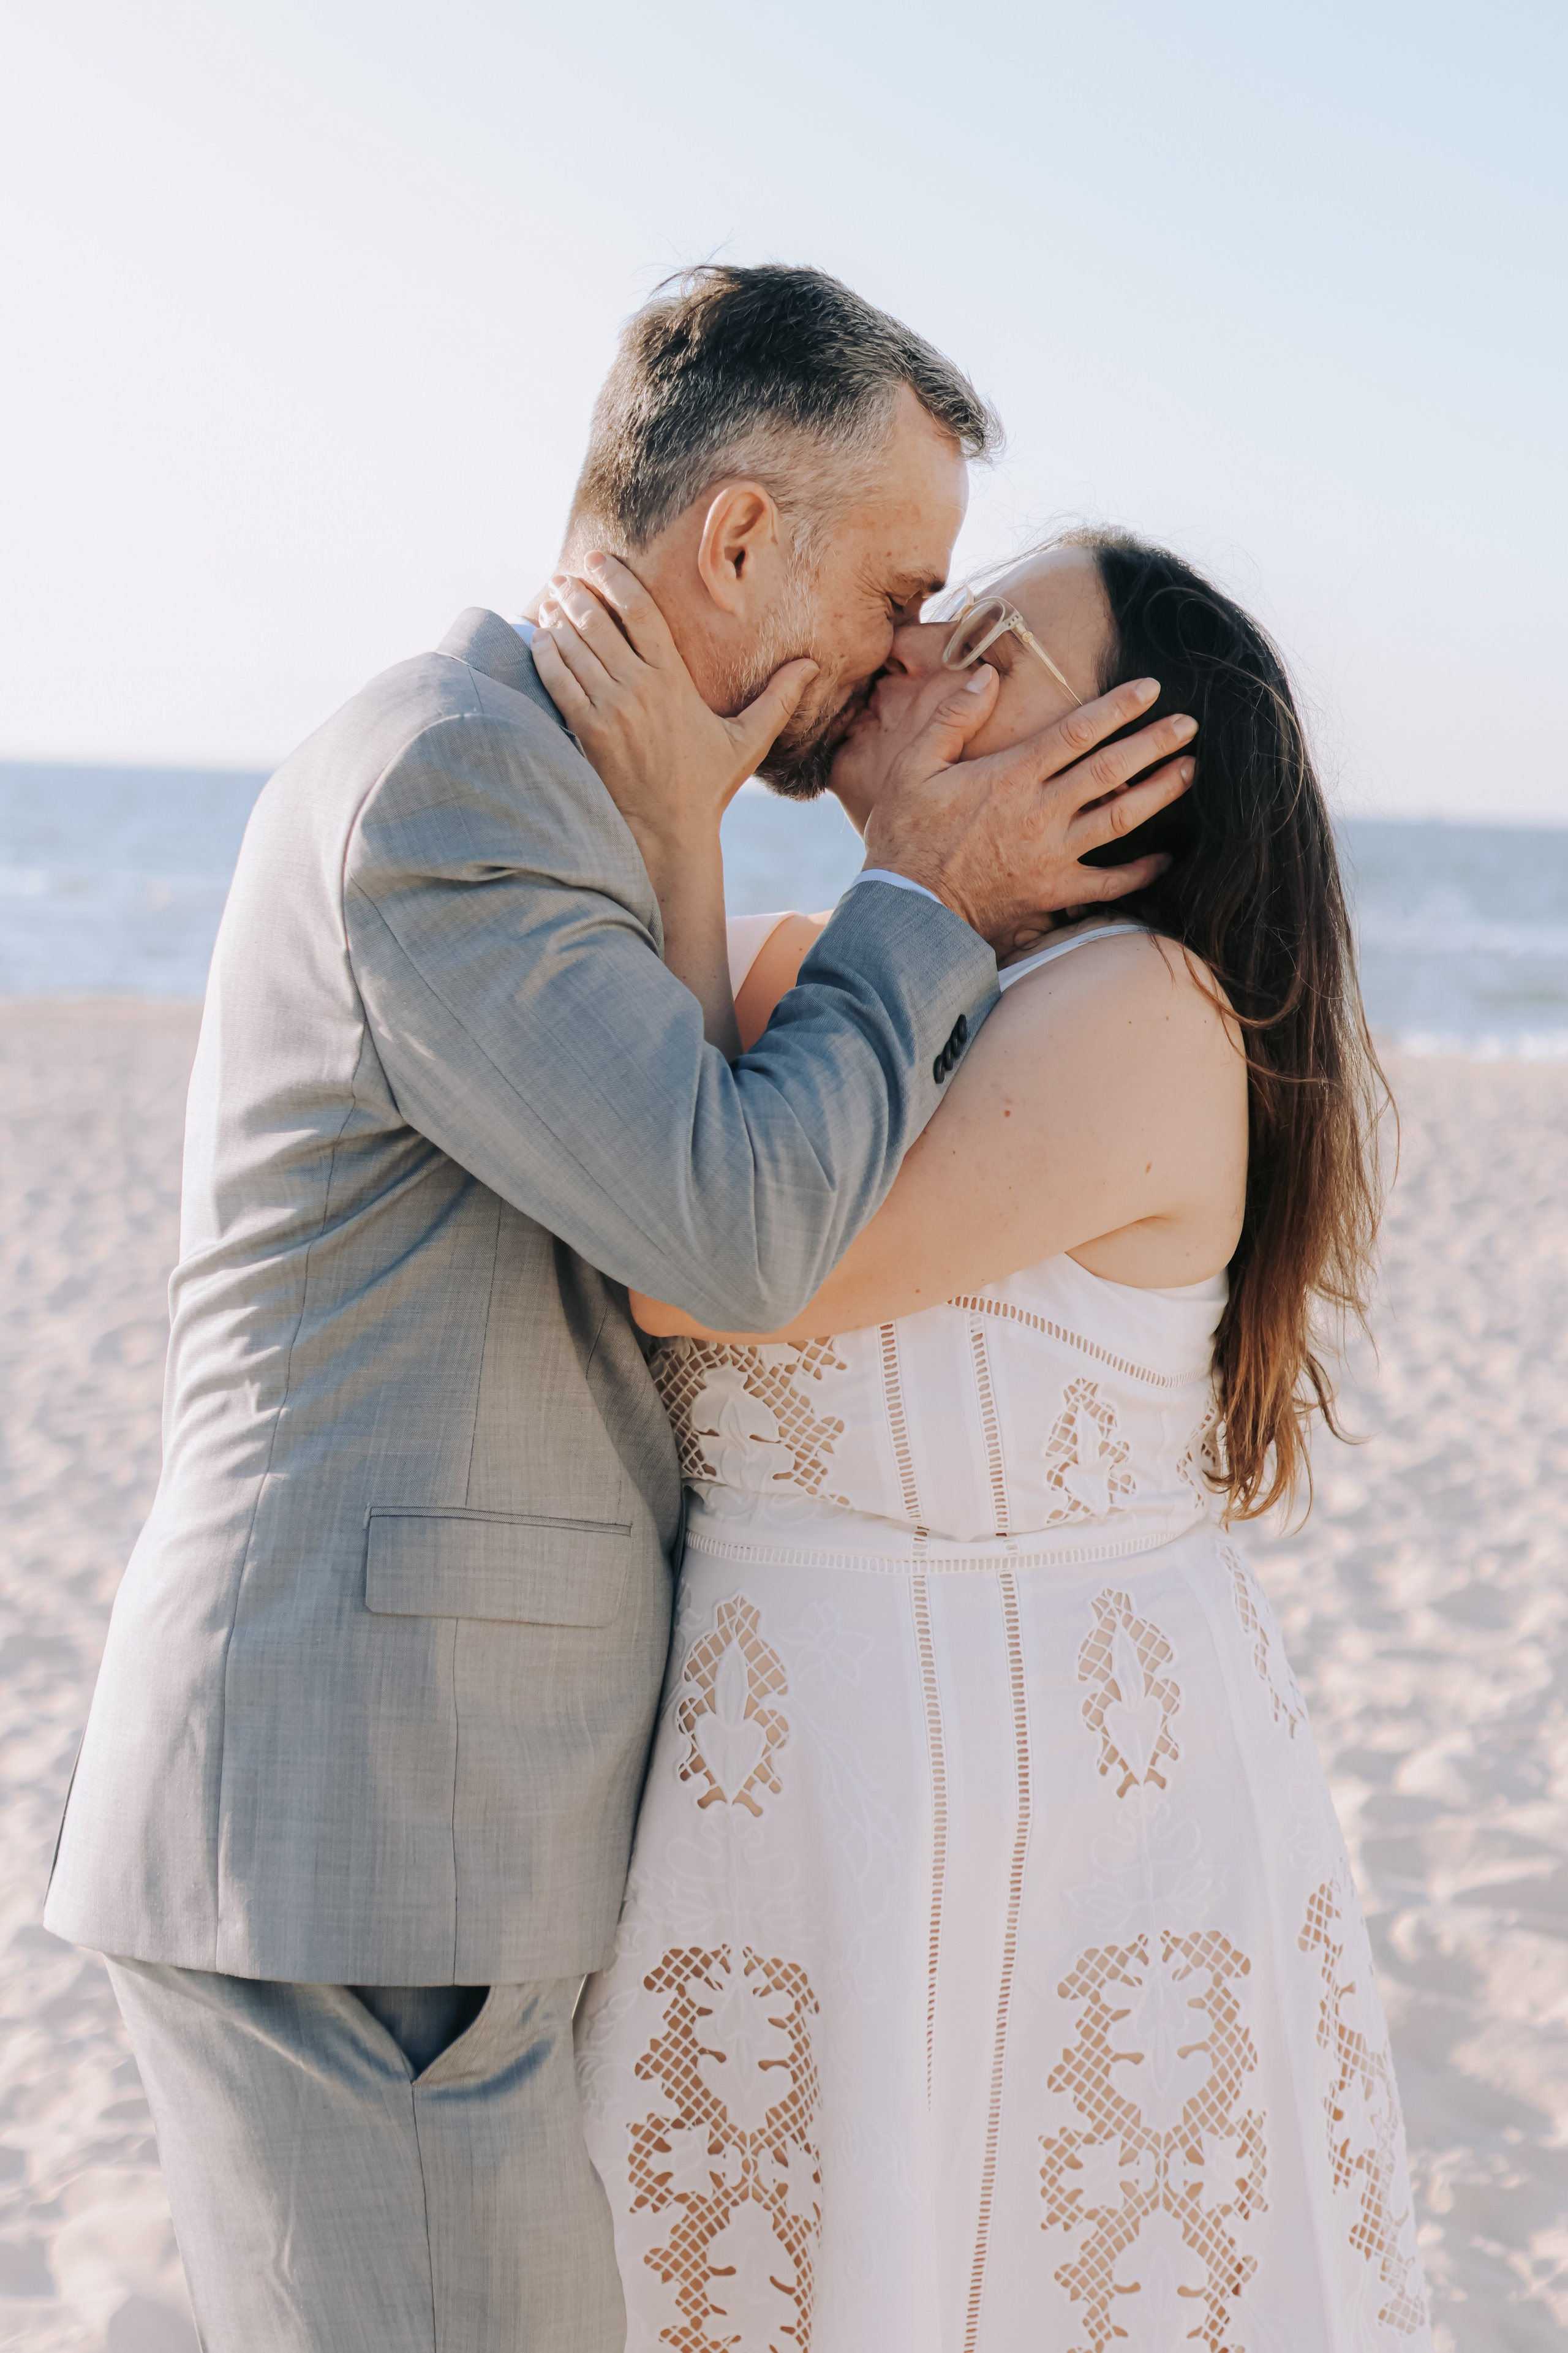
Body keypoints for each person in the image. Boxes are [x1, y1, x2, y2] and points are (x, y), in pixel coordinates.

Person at [42, 269, 1193, 2353]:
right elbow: (729, 1229)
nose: (913, 653)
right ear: (739, 539)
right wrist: (925, 895)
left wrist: (697, 839)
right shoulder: (458, 792)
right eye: (901, 591)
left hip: (436, 1845)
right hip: (367, 1850)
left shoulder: (557, 799)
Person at [546, 531, 1433, 2348]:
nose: (922, 641)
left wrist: (696, 817)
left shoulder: (1148, 1016)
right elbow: (674, 1175)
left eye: (996, 640)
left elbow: (713, 1271)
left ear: (1123, 776)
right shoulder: (826, 974)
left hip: (1055, 1804)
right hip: (788, 1802)